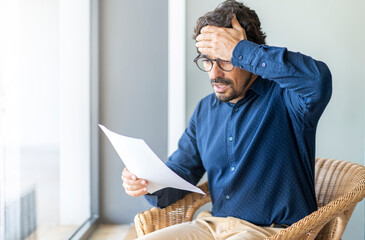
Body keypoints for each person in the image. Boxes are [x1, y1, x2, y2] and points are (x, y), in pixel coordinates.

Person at [121, 0, 332, 239]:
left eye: (226, 59)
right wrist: (147, 182)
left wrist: (240, 49)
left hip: (273, 232)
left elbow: (318, 81)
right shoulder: (205, 111)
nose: (214, 73)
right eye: (208, 60)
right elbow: (180, 173)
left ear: (247, 54)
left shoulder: (288, 98)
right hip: (213, 226)